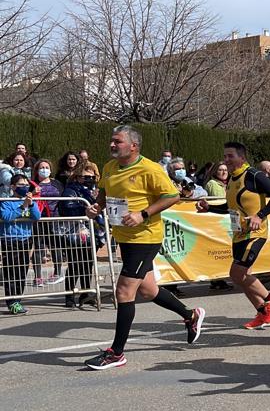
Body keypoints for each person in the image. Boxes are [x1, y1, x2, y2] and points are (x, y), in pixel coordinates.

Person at [83, 125, 205, 370]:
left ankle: (116, 353)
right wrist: (96, 207)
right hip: (125, 237)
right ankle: (191, 315)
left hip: (145, 237)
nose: (112, 145)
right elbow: (105, 193)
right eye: (112, 140)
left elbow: (172, 195)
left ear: (134, 146)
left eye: (118, 141)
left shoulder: (150, 168)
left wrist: (143, 214)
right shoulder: (109, 167)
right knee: (148, 291)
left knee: (124, 292)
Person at [197, 142, 270, 330]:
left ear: (242, 158)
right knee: (242, 276)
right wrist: (209, 208)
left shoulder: (254, 175)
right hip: (238, 234)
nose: (226, 160)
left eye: (231, 156)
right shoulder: (231, 179)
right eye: (225, 156)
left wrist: (259, 216)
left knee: (236, 273)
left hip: (255, 233)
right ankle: (262, 313)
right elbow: (229, 208)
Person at [59, 165, 102, 308]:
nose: (89, 180)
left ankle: (86, 294)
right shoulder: (70, 190)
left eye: (92, 177)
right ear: (77, 177)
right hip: (74, 233)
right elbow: (66, 208)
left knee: (88, 264)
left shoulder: (93, 191)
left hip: (91, 232)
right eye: (86, 177)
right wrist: (85, 208)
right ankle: (69, 296)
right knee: (74, 265)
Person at [1, 174, 40, 315]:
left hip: (25, 239)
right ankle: (12, 302)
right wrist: (22, 207)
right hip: (10, 240)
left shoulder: (29, 201)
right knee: (11, 272)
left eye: (26, 185)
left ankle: (18, 299)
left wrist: (30, 204)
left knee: (22, 271)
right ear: (12, 187)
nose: (24, 187)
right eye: (20, 185)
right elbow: (6, 217)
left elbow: (36, 216)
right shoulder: (6, 201)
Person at [29, 159, 64, 287]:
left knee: (56, 247)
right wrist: (32, 193)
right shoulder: (32, 184)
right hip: (39, 220)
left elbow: (63, 198)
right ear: (37, 170)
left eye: (46, 167)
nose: (44, 169)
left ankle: (57, 273)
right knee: (38, 248)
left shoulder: (57, 183)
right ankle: (38, 277)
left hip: (55, 220)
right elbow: (26, 199)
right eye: (41, 167)